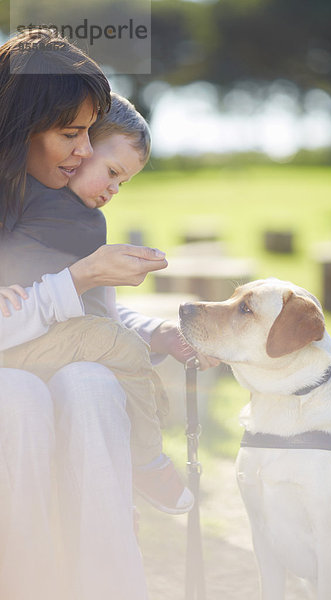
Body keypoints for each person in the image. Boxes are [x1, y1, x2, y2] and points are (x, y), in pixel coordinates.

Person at [0, 28, 217, 600]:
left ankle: (108, 581)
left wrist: (156, 332)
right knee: (17, 395)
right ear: (21, 125)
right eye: (71, 134)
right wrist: (78, 277)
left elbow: (92, 318)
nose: (80, 152)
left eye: (85, 135)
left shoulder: (69, 214)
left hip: (58, 353)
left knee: (92, 380)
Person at [1, 91, 195, 514]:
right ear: (78, 146)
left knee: (118, 346)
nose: (113, 189)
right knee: (118, 346)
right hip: (18, 355)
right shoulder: (18, 193)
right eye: (111, 172)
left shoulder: (84, 222)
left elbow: (99, 308)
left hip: (67, 352)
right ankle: (146, 462)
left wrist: (156, 332)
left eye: (121, 183)